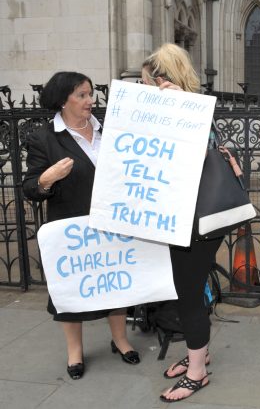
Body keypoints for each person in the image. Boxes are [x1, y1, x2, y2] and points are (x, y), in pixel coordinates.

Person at [23, 71, 140, 380]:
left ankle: (121, 340)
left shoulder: (109, 129)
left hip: (113, 223)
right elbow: (31, 187)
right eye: (83, 95)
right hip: (72, 229)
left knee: (116, 284)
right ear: (64, 100)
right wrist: (48, 178)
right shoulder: (44, 138)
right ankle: (75, 352)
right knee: (70, 290)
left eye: (91, 94)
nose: (91, 100)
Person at [141, 43, 223, 402]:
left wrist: (181, 108)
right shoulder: (168, 113)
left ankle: (197, 373)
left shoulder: (195, 111)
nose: (145, 90)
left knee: (189, 294)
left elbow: (199, 154)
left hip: (196, 222)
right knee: (188, 291)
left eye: (148, 83)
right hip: (178, 219)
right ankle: (198, 352)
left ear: (163, 80)